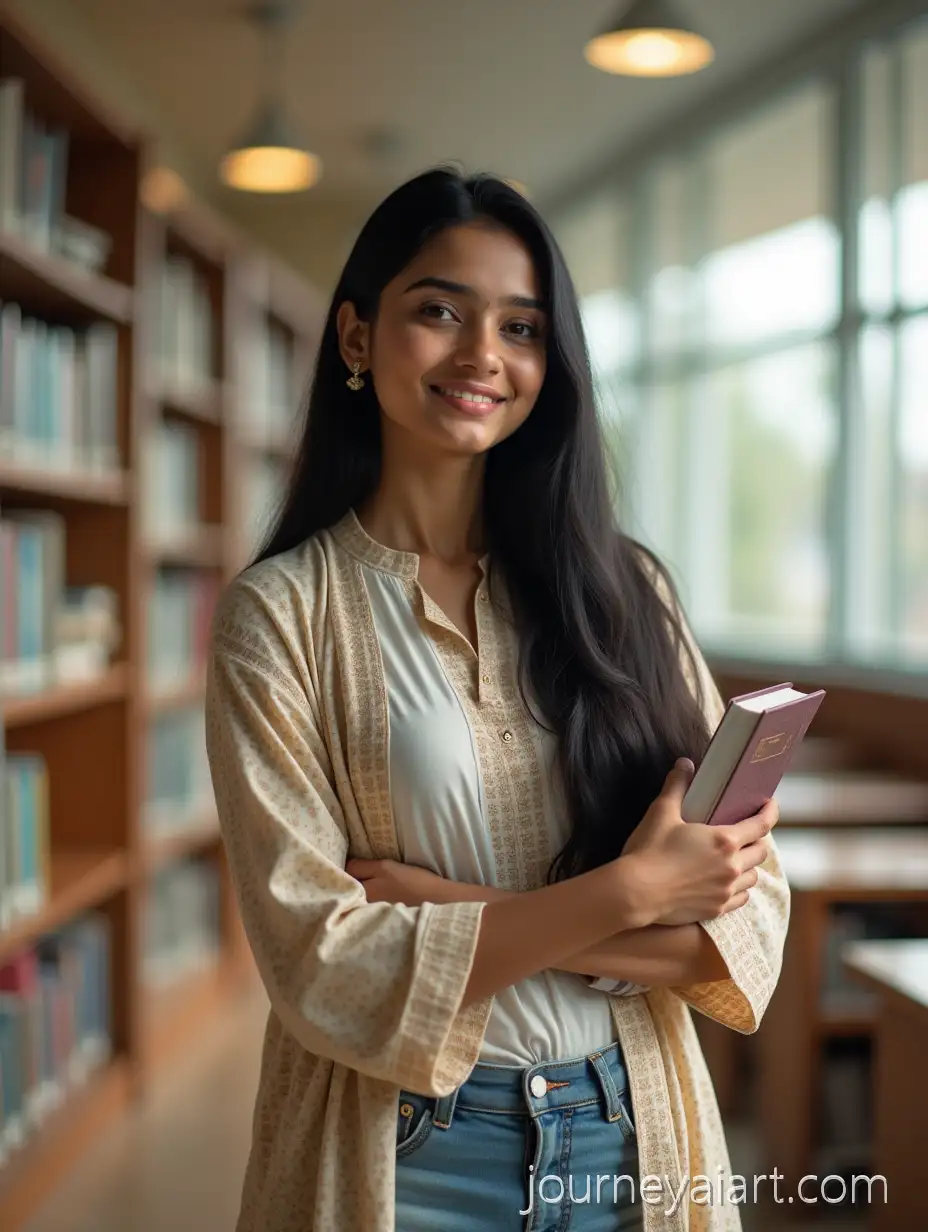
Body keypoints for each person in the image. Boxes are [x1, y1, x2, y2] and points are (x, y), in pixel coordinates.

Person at [204, 166, 789, 1232]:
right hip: (404, 1154)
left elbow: (742, 926)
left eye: (521, 328)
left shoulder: (625, 590)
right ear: (354, 337)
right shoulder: (278, 614)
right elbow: (321, 961)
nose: (483, 355)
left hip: (632, 1129)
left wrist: (443, 902)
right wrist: (628, 893)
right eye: (438, 311)